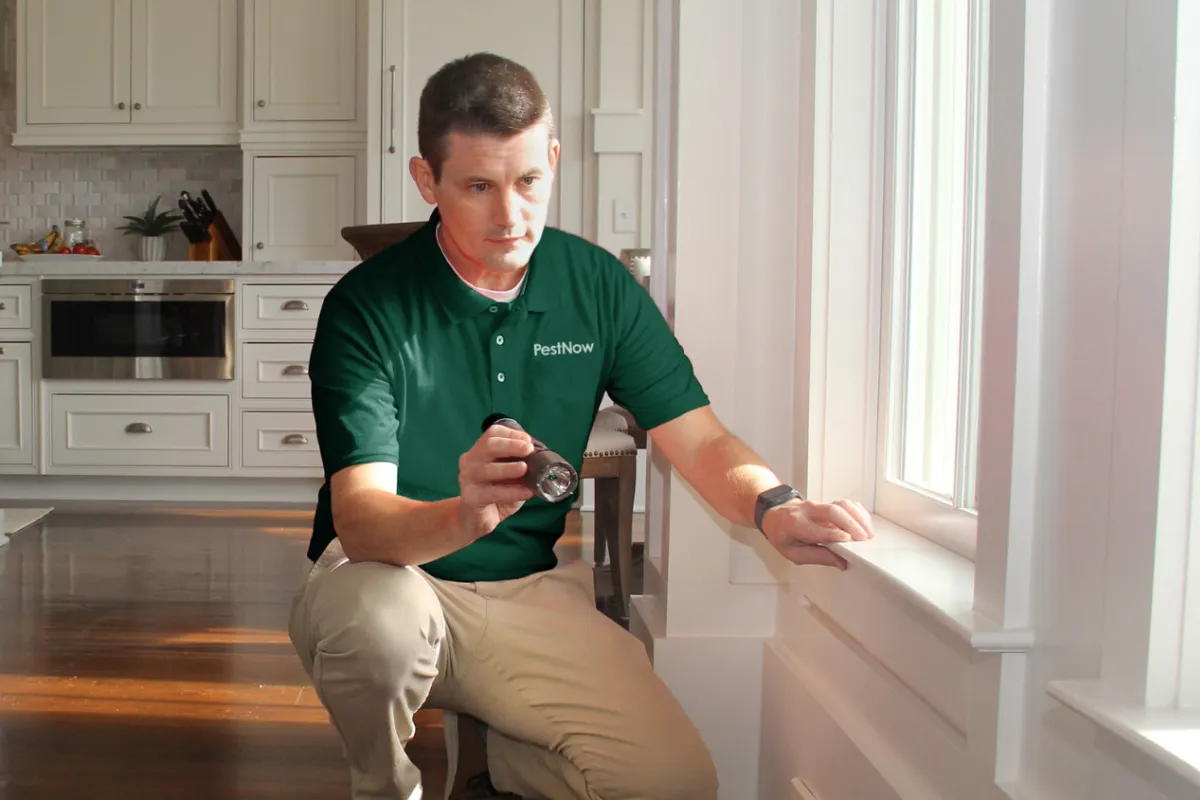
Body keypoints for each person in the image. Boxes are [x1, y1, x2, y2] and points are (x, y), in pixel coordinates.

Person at [288, 52, 875, 800]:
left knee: (674, 785)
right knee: (376, 628)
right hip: (389, 579)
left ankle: (501, 758)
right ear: (426, 181)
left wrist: (774, 505)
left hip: (528, 588)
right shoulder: (365, 306)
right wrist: (465, 515)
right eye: (478, 186)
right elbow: (365, 525)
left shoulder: (596, 284)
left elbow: (698, 438)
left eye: (530, 181)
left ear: (554, 160)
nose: (511, 216)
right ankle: (385, 785)